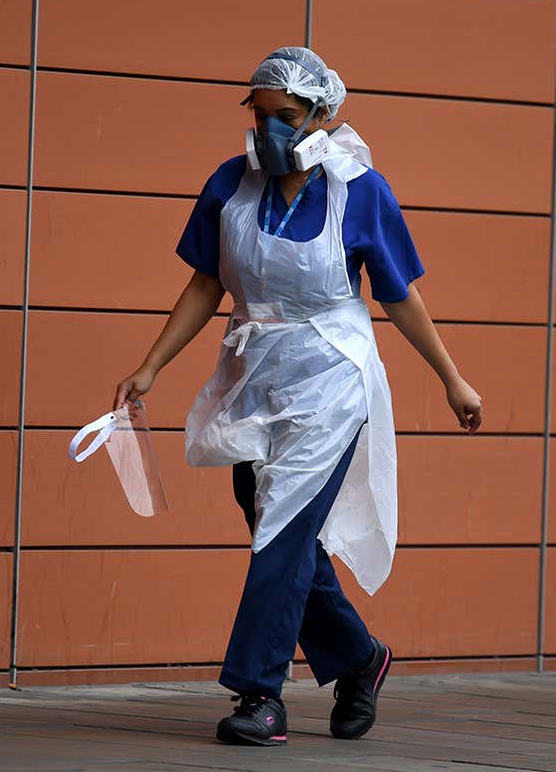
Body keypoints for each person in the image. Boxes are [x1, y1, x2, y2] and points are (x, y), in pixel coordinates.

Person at [112, 47, 483, 746]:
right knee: (267, 516)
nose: (268, 131)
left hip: (332, 380)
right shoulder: (230, 185)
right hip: (255, 374)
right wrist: (151, 366)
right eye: (259, 116)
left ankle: (259, 692)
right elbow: (205, 284)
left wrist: (451, 377)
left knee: (281, 524)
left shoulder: (360, 191)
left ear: (323, 114)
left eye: (284, 117)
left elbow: (399, 298)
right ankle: (358, 658)